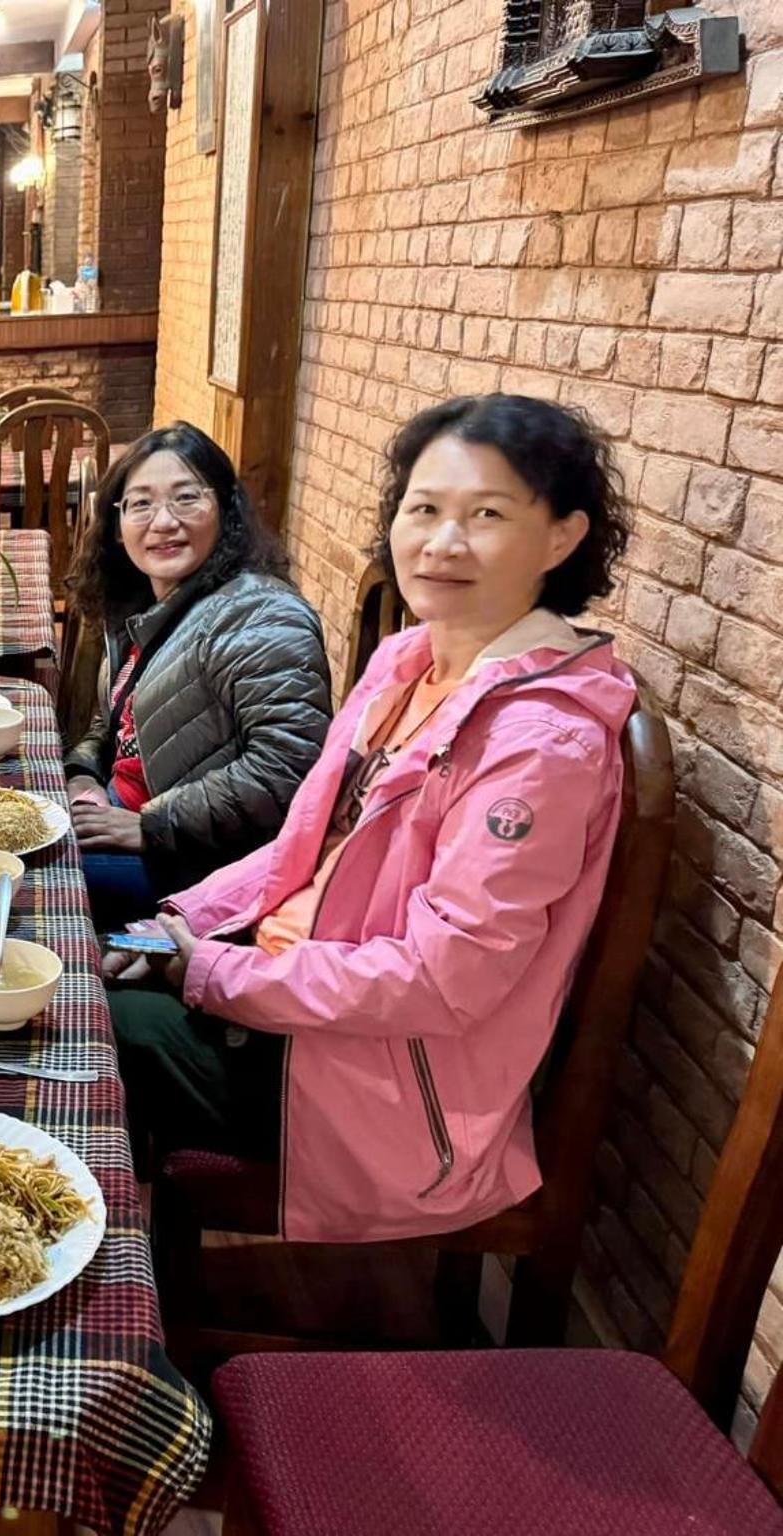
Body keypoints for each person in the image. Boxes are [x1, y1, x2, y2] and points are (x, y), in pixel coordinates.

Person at [105, 394, 636, 1245]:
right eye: (423, 510)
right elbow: (301, 848)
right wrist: (177, 928)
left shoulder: (541, 743)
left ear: (562, 536)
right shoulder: (409, 659)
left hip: (380, 1088)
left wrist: (213, 976)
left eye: (487, 515)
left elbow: (443, 979)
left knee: (78, 1027)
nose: (442, 542)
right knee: (74, 964)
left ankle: (90, 1296)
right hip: (294, 1000)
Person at [64, 422, 332, 927]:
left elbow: (287, 768)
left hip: (197, 864)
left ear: (225, 509)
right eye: (141, 504)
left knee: (16, 873)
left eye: (186, 498)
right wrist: (84, 779)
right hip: (126, 817)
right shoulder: (148, 603)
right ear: (117, 525)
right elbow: (115, 724)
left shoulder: (262, 615)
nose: (164, 521)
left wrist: (149, 826)